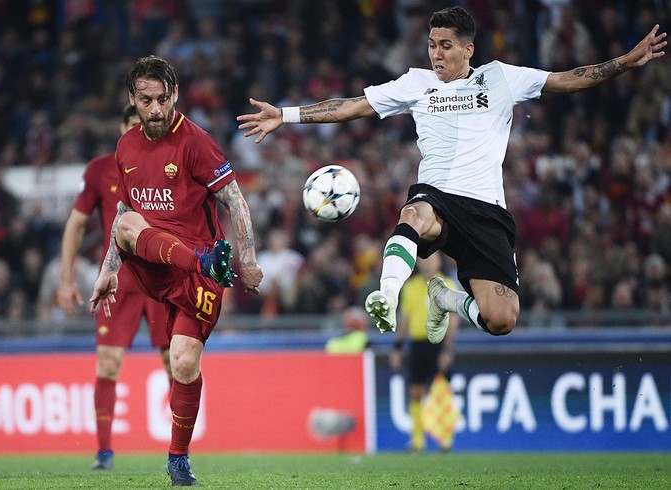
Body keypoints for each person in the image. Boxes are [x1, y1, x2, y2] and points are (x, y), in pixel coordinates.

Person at [237, 6, 666, 344]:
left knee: (502, 320)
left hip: (486, 211)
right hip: (438, 196)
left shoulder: (501, 78)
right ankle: (386, 294)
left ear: (468, 49)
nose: (436, 54)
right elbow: (353, 106)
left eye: (445, 45)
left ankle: (444, 300)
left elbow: (569, 79)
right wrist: (286, 115)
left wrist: (626, 62)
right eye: (431, 45)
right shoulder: (416, 83)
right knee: (415, 214)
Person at [89, 55, 263, 486]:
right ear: (132, 99)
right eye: (145, 100)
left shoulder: (197, 142)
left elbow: (235, 200)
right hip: (156, 263)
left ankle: (178, 457)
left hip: (199, 272)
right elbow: (124, 215)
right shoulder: (125, 147)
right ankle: (202, 260)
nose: (154, 109)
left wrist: (249, 258)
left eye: (162, 99)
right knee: (128, 221)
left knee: (184, 363)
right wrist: (108, 269)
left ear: (175, 96)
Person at [57, 104, 171, 471]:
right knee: (108, 363)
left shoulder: (170, 162)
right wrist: (65, 279)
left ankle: (179, 452)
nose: (139, 129)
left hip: (163, 277)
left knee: (177, 363)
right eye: (132, 123)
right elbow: (75, 224)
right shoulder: (100, 169)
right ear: (122, 127)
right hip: (118, 282)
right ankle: (104, 452)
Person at [390, 253, 458, 452]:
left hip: (439, 345)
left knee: (441, 392)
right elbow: (405, 319)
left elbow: (453, 321)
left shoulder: (447, 285)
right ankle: (418, 441)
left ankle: (445, 440)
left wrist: (447, 349)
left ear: (438, 261)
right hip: (418, 343)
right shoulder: (411, 287)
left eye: (431, 258)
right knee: (416, 391)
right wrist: (397, 347)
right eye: (423, 258)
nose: (426, 262)